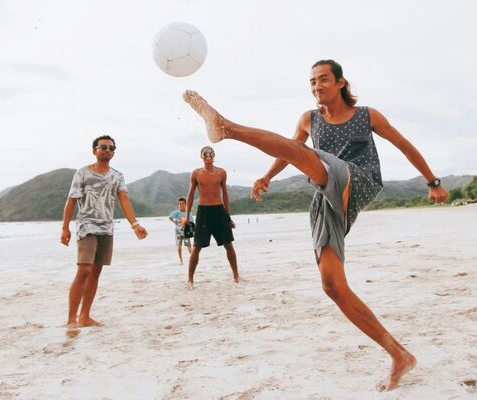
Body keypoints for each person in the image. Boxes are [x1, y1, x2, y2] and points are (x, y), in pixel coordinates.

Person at [182, 59, 449, 391]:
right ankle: (398, 354)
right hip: (325, 195)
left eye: (323, 79)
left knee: (319, 163)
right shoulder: (310, 119)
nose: (316, 86)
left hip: (358, 179)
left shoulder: (368, 115)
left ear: (340, 83)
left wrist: (432, 181)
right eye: (312, 81)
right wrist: (266, 176)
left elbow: (404, 146)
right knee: (332, 285)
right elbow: (292, 151)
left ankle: (226, 128)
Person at [60, 135, 148, 337]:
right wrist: (65, 227)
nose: (107, 151)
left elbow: (124, 200)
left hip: (107, 228)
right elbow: (71, 200)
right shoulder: (83, 173)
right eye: (103, 147)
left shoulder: (117, 175)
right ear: (94, 150)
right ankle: (71, 319)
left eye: (111, 148)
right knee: (84, 270)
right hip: (87, 226)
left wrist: (135, 225)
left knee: (96, 272)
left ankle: (85, 316)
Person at [181, 146, 240, 289]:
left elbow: (225, 194)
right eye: (205, 153)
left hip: (219, 210)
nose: (208, 155)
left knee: (228, 244)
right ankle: (190, 280)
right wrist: (187, 215)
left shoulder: (221, 172)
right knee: (197, 247)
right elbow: (190, 195)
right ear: (201, 157)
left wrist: (228, 216)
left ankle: (236, 276)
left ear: (214, 155)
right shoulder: (196, 173)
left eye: (211, 153)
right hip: (204, 212)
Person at [168, 197, 194, 264]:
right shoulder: (176, 213)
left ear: (185, 204)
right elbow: (170, 217)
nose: (181, 205)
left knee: (189, 245)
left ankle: (193, 258)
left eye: (182, 204)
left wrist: (191, 229)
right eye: (179, 204)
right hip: (178, 232)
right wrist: (174, 222)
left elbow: (192, 222)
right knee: (179, 246)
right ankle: (181, 261)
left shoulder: (188, 213)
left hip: (186, 232)